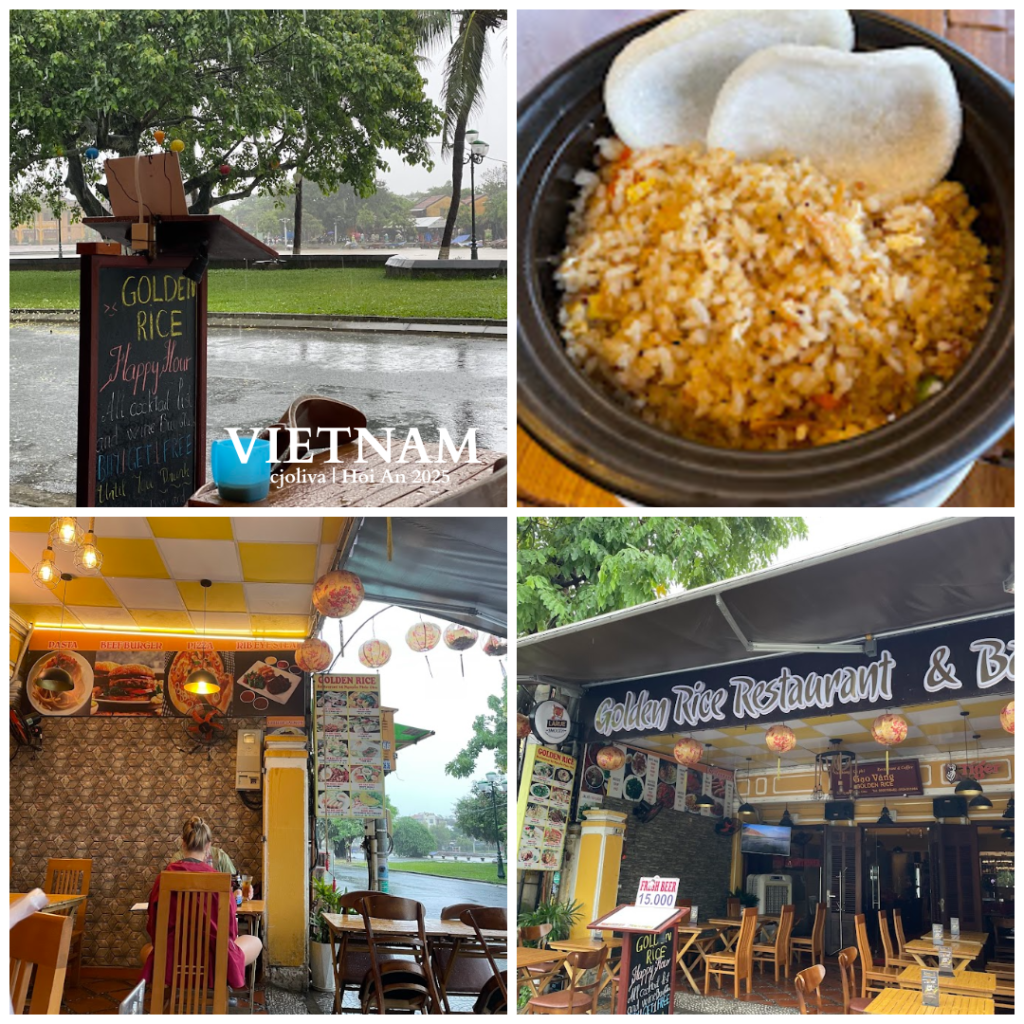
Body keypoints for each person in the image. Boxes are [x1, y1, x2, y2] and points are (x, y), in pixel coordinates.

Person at [140, 816, 261, 993]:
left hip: (172, 961)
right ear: (208, 846)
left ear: (183, 843)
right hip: (213, 964)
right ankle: (224, 992)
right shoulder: (219, 881)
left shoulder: (163, 878)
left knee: (146, 949)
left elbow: (153, 926)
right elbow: (230, 932)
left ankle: (172, 991)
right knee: (255, 941)